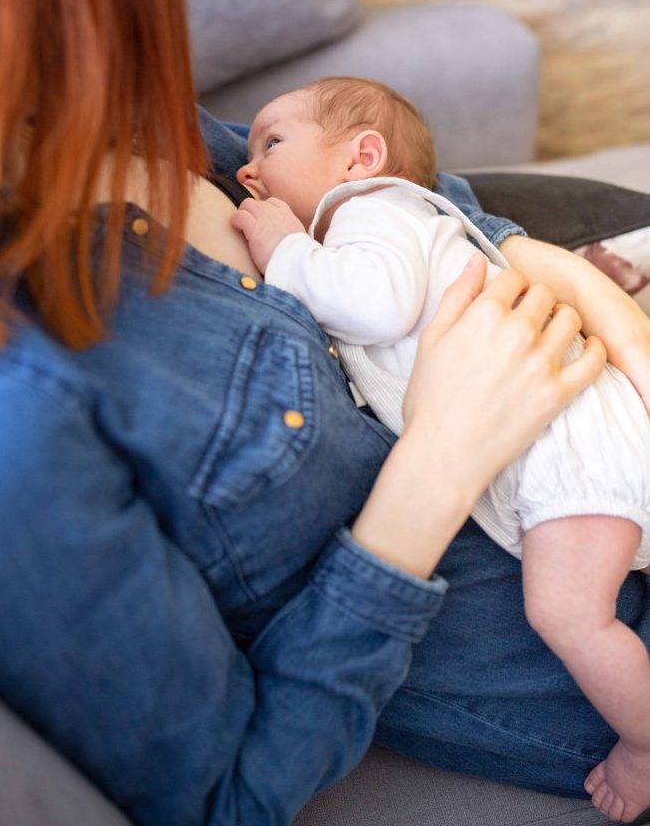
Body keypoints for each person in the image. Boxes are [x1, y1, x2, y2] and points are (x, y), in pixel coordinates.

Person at [0, 0, 648, 826]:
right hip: (579, 586)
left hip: (590, 372)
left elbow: (401, 198)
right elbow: (225, 797)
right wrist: (436, 465)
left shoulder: (79, 102)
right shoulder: (5, 416)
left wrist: (584, 289)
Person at [234, 76, 650, 822]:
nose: (245, 164)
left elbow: (374, 305)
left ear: (364, 156)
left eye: (270, 142)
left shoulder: (366, 214)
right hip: (574, 432)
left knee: (567, 613)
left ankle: (644, 742)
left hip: (565, 452)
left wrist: (286, 248)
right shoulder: (395, 217)